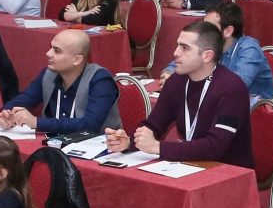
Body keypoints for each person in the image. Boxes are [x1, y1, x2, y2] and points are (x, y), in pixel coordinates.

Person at [108, 21, 253, 167]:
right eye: (177, 45)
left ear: (207, 56)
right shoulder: (177, 81)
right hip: (188, 165)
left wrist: (157, 147)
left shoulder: (232, 89)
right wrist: (128, 141)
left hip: (227, 171)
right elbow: (154, 125)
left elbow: (215, 147)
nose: (175, 53)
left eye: (184, 48)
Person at [0, 29, 122, 136]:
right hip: (55, 142)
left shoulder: (100, 80)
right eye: (51, 47)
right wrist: (6, 114)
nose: (48, 53)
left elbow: (89, 125)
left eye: (57, 51)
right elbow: (24, 99)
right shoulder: (48, 74)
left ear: (77, 60)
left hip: (98, 147)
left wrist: (37, 122)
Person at [205, 0, 273, 103]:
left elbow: (237, 86)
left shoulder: (249, 49)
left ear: (228, 31)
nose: (203, 33)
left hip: (258, 109)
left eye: (209, 28)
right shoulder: (210, 45)